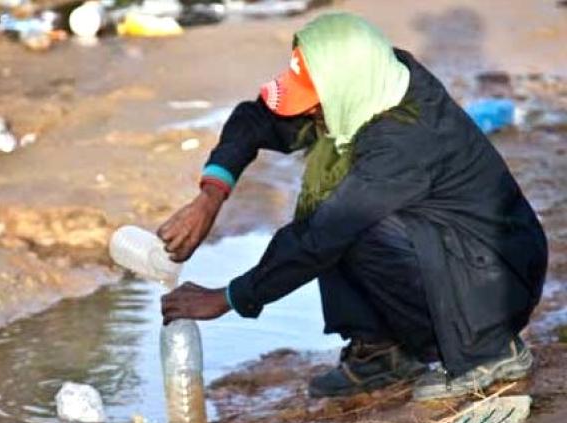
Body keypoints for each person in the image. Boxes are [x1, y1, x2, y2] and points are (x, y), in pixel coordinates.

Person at [157, 12, 547, 401]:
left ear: (339, 90)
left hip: (495, 280)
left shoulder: (404, 138)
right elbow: (253, 118)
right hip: (453, 248)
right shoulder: (366, 85)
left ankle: (491, 351)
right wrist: (210, 196)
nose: (309, 111)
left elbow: (320, 237)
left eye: (313, 101)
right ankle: (383, 352)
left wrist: (230, 297)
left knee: (339, 219)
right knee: (336, 201)